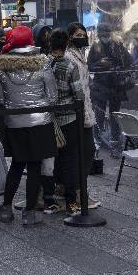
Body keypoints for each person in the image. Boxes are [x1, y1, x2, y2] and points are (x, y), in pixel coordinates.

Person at [0, 26, 57, 226]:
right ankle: (29, 212)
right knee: (35, 166)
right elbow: (52, 96)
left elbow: (0, 97)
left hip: (14, 121)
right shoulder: (43, 62)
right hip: (40, 121)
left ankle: (5, 208)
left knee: (17, 165)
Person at [49, 30, 86, 214]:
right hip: (69, 117)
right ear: (65, 45)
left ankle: (50, 198)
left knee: (50, 158)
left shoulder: (44, 64)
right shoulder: (70, 66)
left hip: (48, 119)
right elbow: (79, 94)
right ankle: (72, 202)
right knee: (70, 159)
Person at [66, 23, 99, 209]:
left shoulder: (80, 56)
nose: (82, 37)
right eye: (78, 34)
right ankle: (79, 193)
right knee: (83, 153)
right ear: (70, 37)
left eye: (83, 34)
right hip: (78, 112)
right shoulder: (70, 57)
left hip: (86, 110)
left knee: (86, 152)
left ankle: (80, 192)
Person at [87, 23, 133, 153]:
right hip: (101, 86)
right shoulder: (95, 47)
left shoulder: (117, 46)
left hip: (115, 86)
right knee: (99, 113)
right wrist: (100, 64)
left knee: (114, 115)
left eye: (107, 34)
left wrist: (119, 69)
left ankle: (115, 140)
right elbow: (89, 66)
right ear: (99, 34)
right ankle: (98, 139)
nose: (105, 36)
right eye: (103, 34)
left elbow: (129, 61)